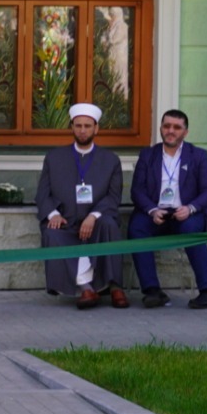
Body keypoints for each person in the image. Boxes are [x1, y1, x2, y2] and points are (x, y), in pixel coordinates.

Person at [36, 103, 128, 309]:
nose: (83, 130)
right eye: (78, 126)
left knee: (109, 225)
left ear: (96, 128)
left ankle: (115, 286)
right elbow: (42, 194)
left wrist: (93, 216)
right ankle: (86, 288)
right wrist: (53, 214)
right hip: (66, 221)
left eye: (88, 126)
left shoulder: (111, 160)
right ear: (72, 127)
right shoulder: (54, 157)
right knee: (52, 232)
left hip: (97, 222)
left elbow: (113, 197)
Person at [128, 110, 207, 309]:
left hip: (186, 213)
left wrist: (190, 208)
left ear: (185, 132)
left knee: (191, 231)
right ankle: (152, 291)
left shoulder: (198, 155)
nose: (171, 131)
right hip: (156, 213)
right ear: (161, 128)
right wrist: (152, 210)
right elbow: (137, 191)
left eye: (177, 127)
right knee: (137, 228)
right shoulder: (147, 155)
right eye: (167, 126)